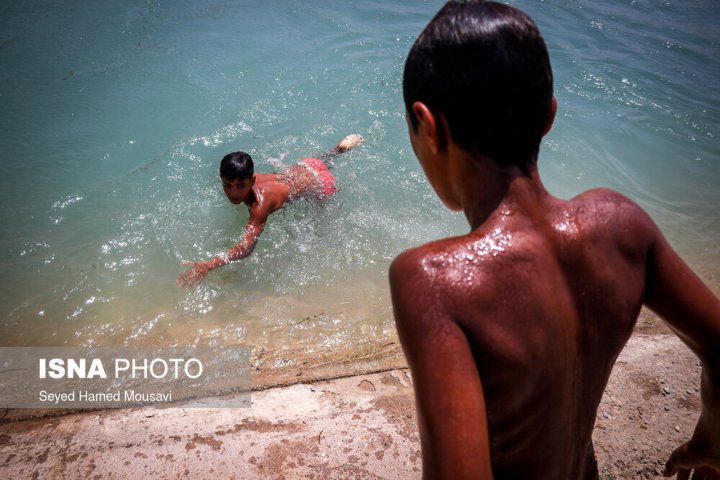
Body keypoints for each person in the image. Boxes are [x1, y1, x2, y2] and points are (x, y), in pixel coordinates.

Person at [389, 1, 720, 479]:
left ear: (428, 126)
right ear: (548, 115)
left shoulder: (434, 280)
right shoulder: (622, 224)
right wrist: (713, 435)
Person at [177, 134, 364, 288]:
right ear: (222, 180)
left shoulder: (260, 206)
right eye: (228, 185)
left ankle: (339, 150)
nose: (234, 193)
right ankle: (340, 148)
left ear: (252, 181)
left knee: (315, 231)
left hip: (320, 187)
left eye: (240, 186)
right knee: (323, 161)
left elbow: (246, 248)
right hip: (307, 167)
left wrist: (208, 266)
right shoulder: (252, 181)